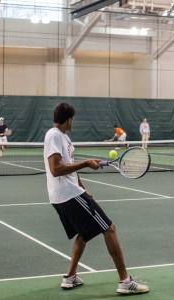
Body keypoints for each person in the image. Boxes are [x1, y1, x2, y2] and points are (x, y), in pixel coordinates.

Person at [43, 102, 149, 295]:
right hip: (67, 195)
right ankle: (125, 282)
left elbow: (68, 166)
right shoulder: (54, 135)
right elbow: (56, 169)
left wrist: (83, 189)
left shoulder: (63, 138)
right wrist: (85, 163)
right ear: (69, 119)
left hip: (67, 194)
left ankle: (70, 277)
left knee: (83, 233)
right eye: (72, 119)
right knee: (109, 229)